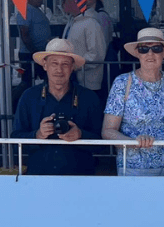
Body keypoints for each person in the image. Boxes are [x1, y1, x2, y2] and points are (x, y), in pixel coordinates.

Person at [102, 28, 164, 176]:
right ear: (137, 53)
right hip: (135, 168)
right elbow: (108, 130)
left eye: (156, 48)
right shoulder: (123, 83)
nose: (150, 54)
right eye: (144, 49)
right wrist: (133, 142)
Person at [12, 39, 103, 175]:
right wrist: (37, 135)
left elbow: (103, 145)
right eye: (54, 63)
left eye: (65, 64)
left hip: (80, 178)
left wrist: (81, 135)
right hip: (40, 177)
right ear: (45, 65)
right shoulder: (29, 97)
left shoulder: (89, 98)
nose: (59, 70)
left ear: (72, 67)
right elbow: (15, 142)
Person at [62, 0, 106, 92]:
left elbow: (96, 55)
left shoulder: (91, 23)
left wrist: (73, 64)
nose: (62, 4)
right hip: (73, 79)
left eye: (64, 0)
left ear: (75, 2)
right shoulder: (73, 22)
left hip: (89, 83)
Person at [17, 0, 51, 85]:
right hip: (30, 54)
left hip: (39, 53)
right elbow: (25, 34)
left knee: (45, 81)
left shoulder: (35, 10)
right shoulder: (25, 10)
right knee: (27, 83)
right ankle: (17, 99)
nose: (41, 0)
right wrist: (34, 52)